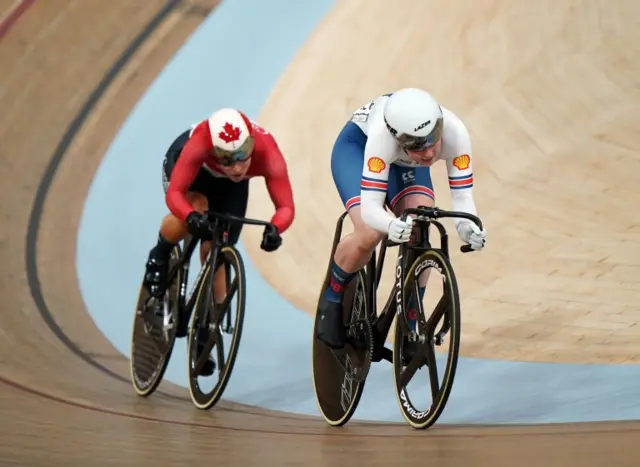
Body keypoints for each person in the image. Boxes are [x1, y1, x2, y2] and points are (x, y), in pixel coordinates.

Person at [315, 88, 487, 354]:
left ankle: (410, 319)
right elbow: (372, 209)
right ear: (400, 139)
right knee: (370, 233)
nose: (429, 153)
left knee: (420, 226)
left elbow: (463, 198)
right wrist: (390, 225)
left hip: (405, 164)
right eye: (418, 145)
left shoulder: (455, 133)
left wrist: (468, 228)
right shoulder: (381, 140)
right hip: (358, 149)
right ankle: (332, 298)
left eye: (432, 140)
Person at [143, 107, 295, 375]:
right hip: (192, 171)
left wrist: (275, 229)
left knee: (218, 248)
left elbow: (285, 207)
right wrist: (190, 216)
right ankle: (160, 252)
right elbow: (176, 193)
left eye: (242, 157)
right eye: (227, 159)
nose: (237, 166)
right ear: (214, 150)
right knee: (196, 207)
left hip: (229, 188)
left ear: (251, 144)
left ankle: (208, 324)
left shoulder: (267, 150)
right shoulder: (199, 142)